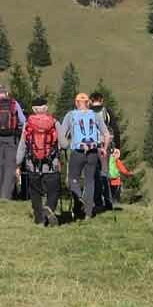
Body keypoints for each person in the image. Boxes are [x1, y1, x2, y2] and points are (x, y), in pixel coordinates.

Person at [60, 91, 103, 221]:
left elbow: (62, 135)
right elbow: (105, 134)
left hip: (77, 152)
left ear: (76, 103)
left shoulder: (70, 115)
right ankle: (88, 213)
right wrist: (104, 147)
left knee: (73, 179)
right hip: (93, 152)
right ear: (88, 103)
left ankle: (79, 198)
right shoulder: (95, 115)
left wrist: (64, 146)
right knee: (90, 181)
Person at [22, 99, 63, 227]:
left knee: (35, 192)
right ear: (46, 108)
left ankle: (39, 220)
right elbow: (64, 144)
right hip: (51, 165)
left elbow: (22, 145)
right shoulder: (54, 122)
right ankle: (49, 208)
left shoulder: (27, 123)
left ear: (33, 109)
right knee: (54, 190)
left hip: (32, 164)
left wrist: (17, 163)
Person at [89, 92, 118, 214]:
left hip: (91, 147)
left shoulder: (87, 112)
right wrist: (117, 147)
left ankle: (97, 202)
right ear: (101, 100)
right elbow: (115, 129)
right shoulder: (107, 112)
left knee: (93, 175)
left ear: (90, 101)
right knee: (105, 174)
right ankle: (108, 201)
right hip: (105, 147)